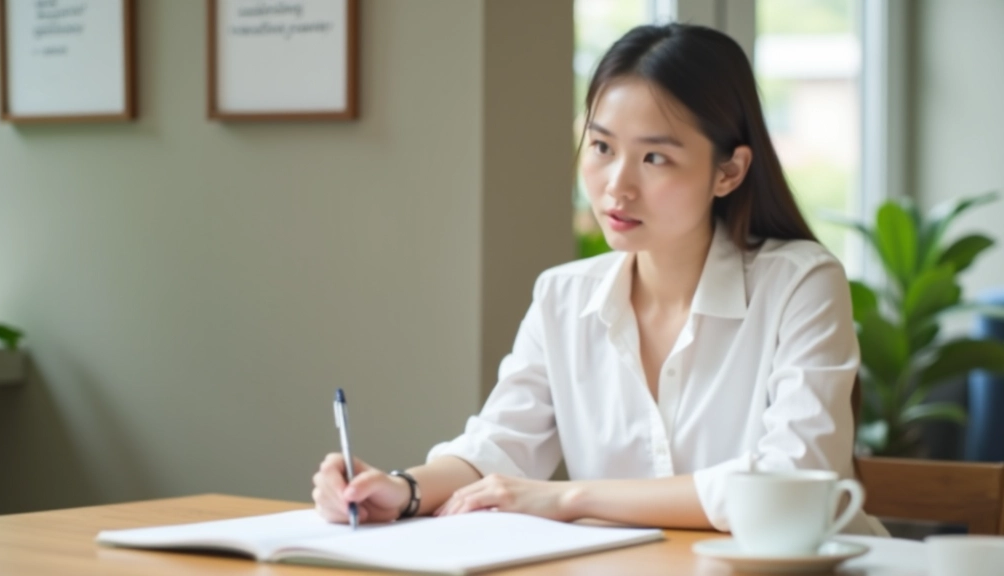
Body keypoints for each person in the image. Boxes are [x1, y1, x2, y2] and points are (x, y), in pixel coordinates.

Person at [313, 23, 881, 533]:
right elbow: (498, 449)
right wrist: (401, 490)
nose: (617, 186)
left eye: (654, 158)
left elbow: (795, 475)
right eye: (602, 147)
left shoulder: (802, 283)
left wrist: (570, 498)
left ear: (728, 171)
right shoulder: (564, 296)